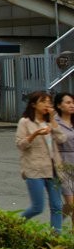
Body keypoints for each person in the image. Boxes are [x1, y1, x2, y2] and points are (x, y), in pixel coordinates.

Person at [15, 90, 68, 234]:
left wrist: (53, 121)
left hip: (53, 169)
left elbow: (62, 139)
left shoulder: (51, 121)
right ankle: (13, 225)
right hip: (35, 169)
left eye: (49, 102)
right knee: (37, 207)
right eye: (43, 102)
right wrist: (35, 134)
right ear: (33, 104)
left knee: (57, 206)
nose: (47, 105)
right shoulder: (25, 122)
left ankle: (54, 238)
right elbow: (20, 144)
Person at [53, 91, 74, 232]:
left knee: (70, 206)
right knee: (71, 204)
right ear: (59, 105)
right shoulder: (55, 122)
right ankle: (55, 227)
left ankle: (55, 227)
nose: (72, 105)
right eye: (68, 102)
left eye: (73, 102)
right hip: (63, 163)